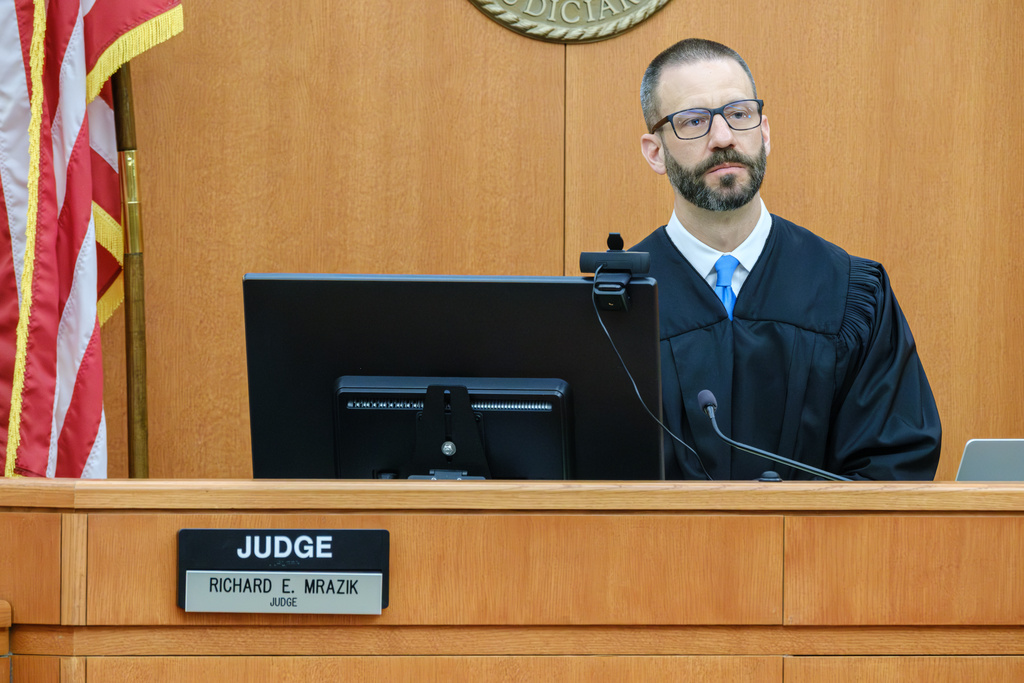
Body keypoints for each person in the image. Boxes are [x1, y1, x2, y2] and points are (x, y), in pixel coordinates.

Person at [633, 38, 941, 480]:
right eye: (694, 121)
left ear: (764, 132)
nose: (723, 138)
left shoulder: (849, 293)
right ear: (655, 152)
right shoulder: (613, 308)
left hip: (815, 549)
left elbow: (893, 470)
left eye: (739, 114)